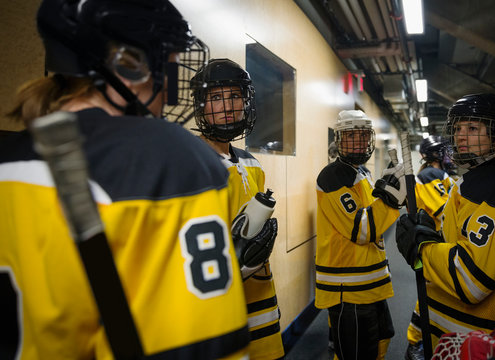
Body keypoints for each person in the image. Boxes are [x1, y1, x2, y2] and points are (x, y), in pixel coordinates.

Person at [0, 1, 249, 359]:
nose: (169, 94)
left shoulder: (10, 157)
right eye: (169, 72)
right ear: (128, 66)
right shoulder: (170, 157)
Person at [395, 93, 495, 354]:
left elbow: (471, 281)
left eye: (472, 128)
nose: (461, 136)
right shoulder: (477, 178)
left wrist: (425, 248)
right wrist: (434, 237)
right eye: (458, 128)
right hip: (453, 336)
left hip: (475, 343)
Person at [190, 58, 284, 360]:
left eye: (234, 96)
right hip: (220, 315)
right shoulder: (191, 161)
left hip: (262, 306)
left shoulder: (251, 163)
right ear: (201, 106)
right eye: (216, 98)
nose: (227, 106)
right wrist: (240, 260)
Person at [315, 109, 407, 360]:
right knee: (356, 354)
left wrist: (387, 193)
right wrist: (390, 199)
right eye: (350, 135)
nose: (357, 141)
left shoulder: (362, 173)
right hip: (349, 288)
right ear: (339, 140)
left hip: (371, 283)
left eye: (362, 135)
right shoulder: (332, 176)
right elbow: (362, 229)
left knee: (380, 341)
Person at [406, 135, 456, 360]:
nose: (449, 156)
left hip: (441, 243)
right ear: (435, 154)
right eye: (444, 152)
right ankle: (415, 342)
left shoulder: (438, 174)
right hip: (435, 244)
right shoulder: (428, 175)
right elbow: (445, 211)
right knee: (430, 295)